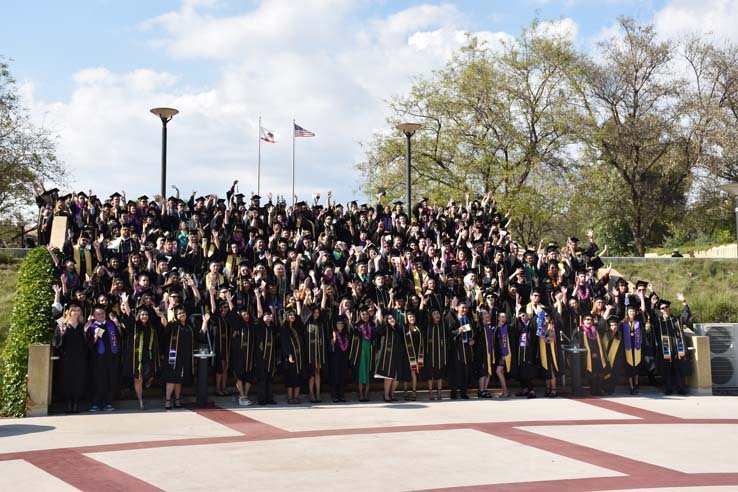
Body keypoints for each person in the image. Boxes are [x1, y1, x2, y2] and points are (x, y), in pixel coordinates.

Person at [120, 301, 161, 410]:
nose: (144, 316)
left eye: (146, 314)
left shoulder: (151, 327)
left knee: (150, 374)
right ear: (138, 316)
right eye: (142, 314)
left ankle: (148, 381)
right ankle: (140, 401)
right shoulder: (134, 326)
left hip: (148, 356)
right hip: (135, 356)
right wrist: (125, 303)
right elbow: (129, 315)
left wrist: (160, 314)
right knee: (138, 379)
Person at [160, 306, 203, 410]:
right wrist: (162, 315)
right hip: (173, 357)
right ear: (176, 316)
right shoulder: (173, 325)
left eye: (183, 312)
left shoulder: (189, 327)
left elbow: (200, 336)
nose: (181, 314)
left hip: (185, 357)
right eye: (179, 313)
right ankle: (168, 401)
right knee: (171, 379)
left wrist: (205, 322)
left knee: (179, 379)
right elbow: (165, 329)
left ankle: (177, 400)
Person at [650, 294, 692, 395]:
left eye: (666, 307)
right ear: (660, 310)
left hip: (678, 348)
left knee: (679, 369)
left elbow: (687, 314)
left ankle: (680, 389)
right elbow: (651, 316)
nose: (665, 309)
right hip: (666, 349)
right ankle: (668, 389)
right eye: (662, 308)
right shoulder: (659, 322)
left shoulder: (677, 320)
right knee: (666, 370)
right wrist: (652, 305)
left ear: (669, 308)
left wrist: (684, 301)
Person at [52, 302, 89, 413]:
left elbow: (89, 343)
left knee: (78, 379)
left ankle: (76, 403)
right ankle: (68, 403)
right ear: (69, 311)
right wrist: (62, 333)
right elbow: (55, 343)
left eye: (78, 310)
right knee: (67, 380)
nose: (76, 313)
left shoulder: (84, 325)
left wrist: (86, 333)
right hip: (66, 357)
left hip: (80, 357)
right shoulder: (62, 323)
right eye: (73, 310)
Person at [86, 305, 122, 411]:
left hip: (111, 358)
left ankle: (108, 403)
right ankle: (96, 403)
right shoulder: (91, 327)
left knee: (110, 380)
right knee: (97, 381)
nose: (101, 315)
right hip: (97, 360)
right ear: (93, 316)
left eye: (102, 313)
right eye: (98, 314)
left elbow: (120, 338)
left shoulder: (111, 324)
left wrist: (118, 325)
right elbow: (87, 344)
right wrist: (95, 337)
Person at [446, 299, 475, 400]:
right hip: (456, 348)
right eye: (462, 308)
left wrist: (471, 339)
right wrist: (458, 330)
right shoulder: (453, 319)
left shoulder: (468, 320)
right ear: (457, 308)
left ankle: (464, 392)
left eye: (466, 308)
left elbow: (472, 332)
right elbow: (449, 333)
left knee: (466, 370)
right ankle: (453, 393)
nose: (464, 309)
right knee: (456, 370)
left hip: (466, 348)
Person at [375, 311, 403, 402]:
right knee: (388, 376)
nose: (392, 320)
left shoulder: (398, 329)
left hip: (397, 355)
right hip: (387, 355)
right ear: (386, 320)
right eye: (390, 318)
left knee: (396, 377)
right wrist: (379, 313)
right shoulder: (385, 329)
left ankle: (392, 393)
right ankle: (386, 395)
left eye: (393, 318)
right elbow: (378, 327)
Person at [230, 307, 256, 406]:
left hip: (250, 354)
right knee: (239, 375)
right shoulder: (238, 326)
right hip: (239, 354)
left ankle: (245, 395)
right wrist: (229, 300)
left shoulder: (251, 326)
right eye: (244, 314)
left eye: (247, 314)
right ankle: (242, 396)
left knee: (249, 376)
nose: (246, 316)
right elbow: (232, 314)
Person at [350, 306, 375, 402]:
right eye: (363, 314)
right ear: (360, 315)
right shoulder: (357, 326)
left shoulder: (372, 325)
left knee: (368, 372)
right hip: (360, 352)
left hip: (369, 351)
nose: (365, 316)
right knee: (361, 373)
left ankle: (366, 394)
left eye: (367, 314)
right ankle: (361, 395)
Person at [280, 309, 305, 404]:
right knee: (290, 377)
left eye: (293, 315)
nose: (292, 316)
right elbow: (284, 343)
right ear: (286, 316)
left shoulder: (297, 326)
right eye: (290, 315)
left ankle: (296, 397)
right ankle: (290, 398)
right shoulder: (284, 328)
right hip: (290, 356)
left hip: (299, 356)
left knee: (298, 376)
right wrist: (289, 355)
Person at [580, 313, 607, 396]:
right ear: (583, 321)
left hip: (598, 356)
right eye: (587, 319)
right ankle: (593, 390)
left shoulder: (595, 330)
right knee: (592, 374)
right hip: (585, 357)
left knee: (599, 373)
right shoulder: (580, 331)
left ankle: (599, 390)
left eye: (591, 320)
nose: (589, 321)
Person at [423, 307, 447, 400]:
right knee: (431, 374)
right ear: (431, 316)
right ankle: (431, 392)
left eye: (438, 313)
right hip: (430, 354)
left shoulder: (443, 326)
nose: (437, 315)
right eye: (434, 314)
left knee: (439, 373)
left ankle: (439, 393)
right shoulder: (428, 326)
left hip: (441, 353)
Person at [400, 310, 424, 401]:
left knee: (413, 372)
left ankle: (414, 392)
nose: (412, 318)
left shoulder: (418, 328)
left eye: (413, 317)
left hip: (416, 354)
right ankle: (405, 391)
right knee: (407, 373)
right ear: (407, 318)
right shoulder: (403, 328)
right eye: (410, 317)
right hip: (407, 354)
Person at [621, 305, 643, 394]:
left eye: (633, 311)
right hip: (627, 348)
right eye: (630, 311)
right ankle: (631, 386)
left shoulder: (638, 323)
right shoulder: (623, 324)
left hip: (637, 348)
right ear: (627, 312)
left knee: (637, 366)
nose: (632, 313)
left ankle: (636, 384)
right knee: (629, 367)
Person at [329, 315, 350, 403]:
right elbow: (330, 349)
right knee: (335, 376)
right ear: (335, 324)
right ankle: (335, 395)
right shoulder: (332, 333)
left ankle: (342, 395)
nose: (340, 325)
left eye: (342, 323)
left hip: (344, 359)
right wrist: (333, 340)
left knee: (342, 376)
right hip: (335, 359)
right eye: (338, 323)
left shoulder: (346, 334)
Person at [602, 316, 623, 395]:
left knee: (614, 374)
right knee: (606, 373)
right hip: (606, 357)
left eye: (615, 325)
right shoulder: (605, 335)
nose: (614, 327)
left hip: (616, 358)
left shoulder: (619, 335)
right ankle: (605, 388)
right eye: (612, 325)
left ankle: (611, 389)